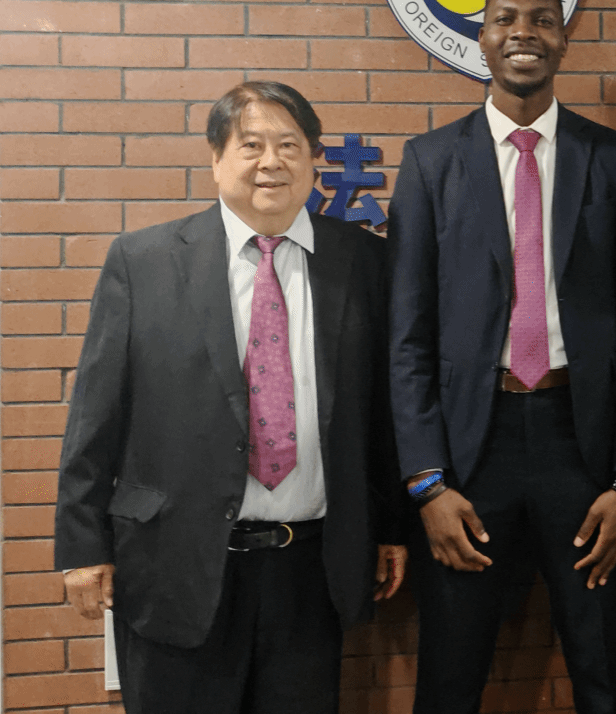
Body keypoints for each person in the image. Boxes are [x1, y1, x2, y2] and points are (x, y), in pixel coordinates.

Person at [54, 81, 407, 714]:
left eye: (289, 145)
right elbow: (96, 414)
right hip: (174, 562)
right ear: (216, 159)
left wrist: (389, 527)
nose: (272, 162)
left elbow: (380, 412)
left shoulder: (363, 261)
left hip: (310, 568)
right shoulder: (144, 261)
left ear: (315, 159)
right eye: (251, 145)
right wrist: (83, 546)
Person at [388, 0, 616, 714]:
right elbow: (407, 337)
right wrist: (426, 483)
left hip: (585, 447)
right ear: (480, 38)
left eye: (542, 20)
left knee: (605, 672)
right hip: (470, 454)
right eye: (506, 18)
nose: (523, 33)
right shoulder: (431, 162)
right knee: (450, 677)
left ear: (563, 40)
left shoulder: (612, 161)